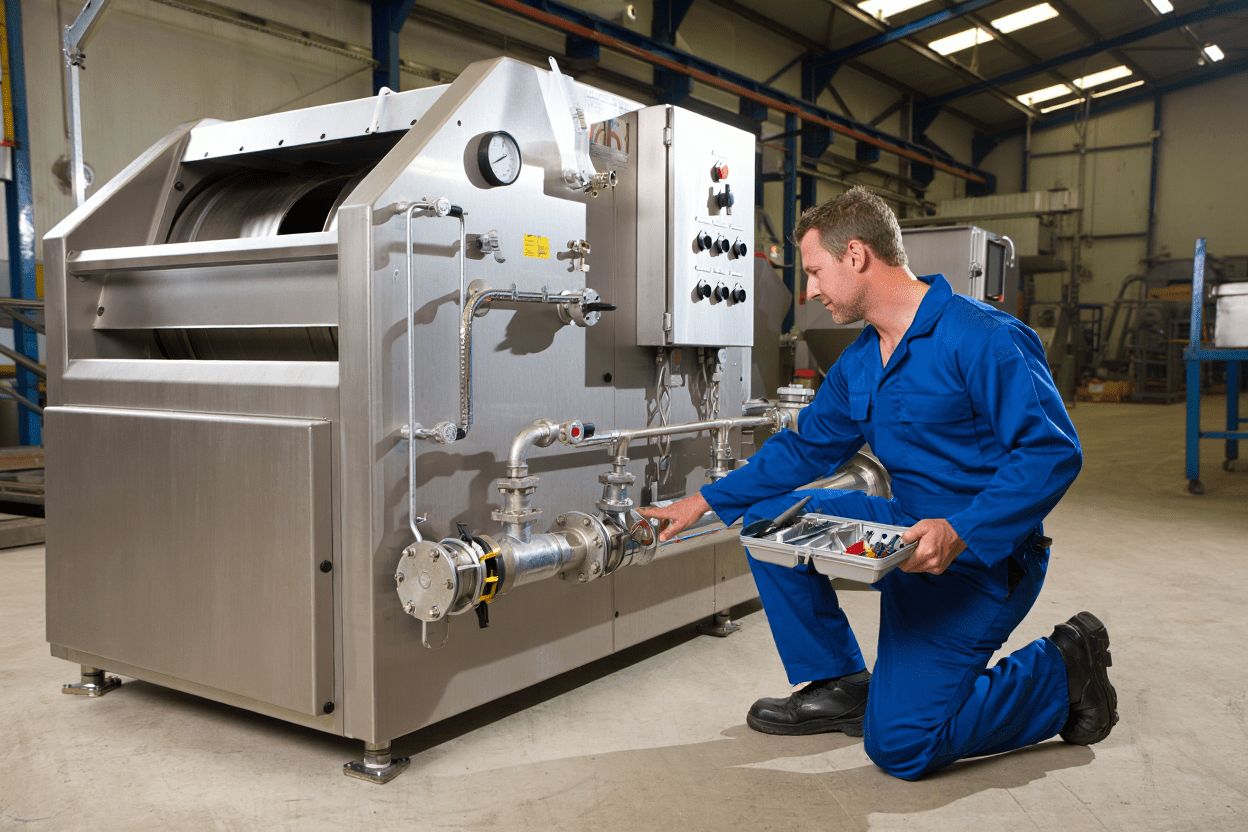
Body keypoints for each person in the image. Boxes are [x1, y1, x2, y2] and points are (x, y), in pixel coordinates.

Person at [641, 186, 1117, 781]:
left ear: (857, 256)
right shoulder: (862, 360)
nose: (809, 290)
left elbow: (1051, 452)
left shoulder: (983, 337)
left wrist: (962, 531)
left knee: (900, 747)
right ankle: (843, 681)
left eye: (815, 271)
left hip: (983, 560)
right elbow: (803, 448)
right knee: (771, 518)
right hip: (907, 539)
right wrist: (703, 501)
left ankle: (1061, 672)